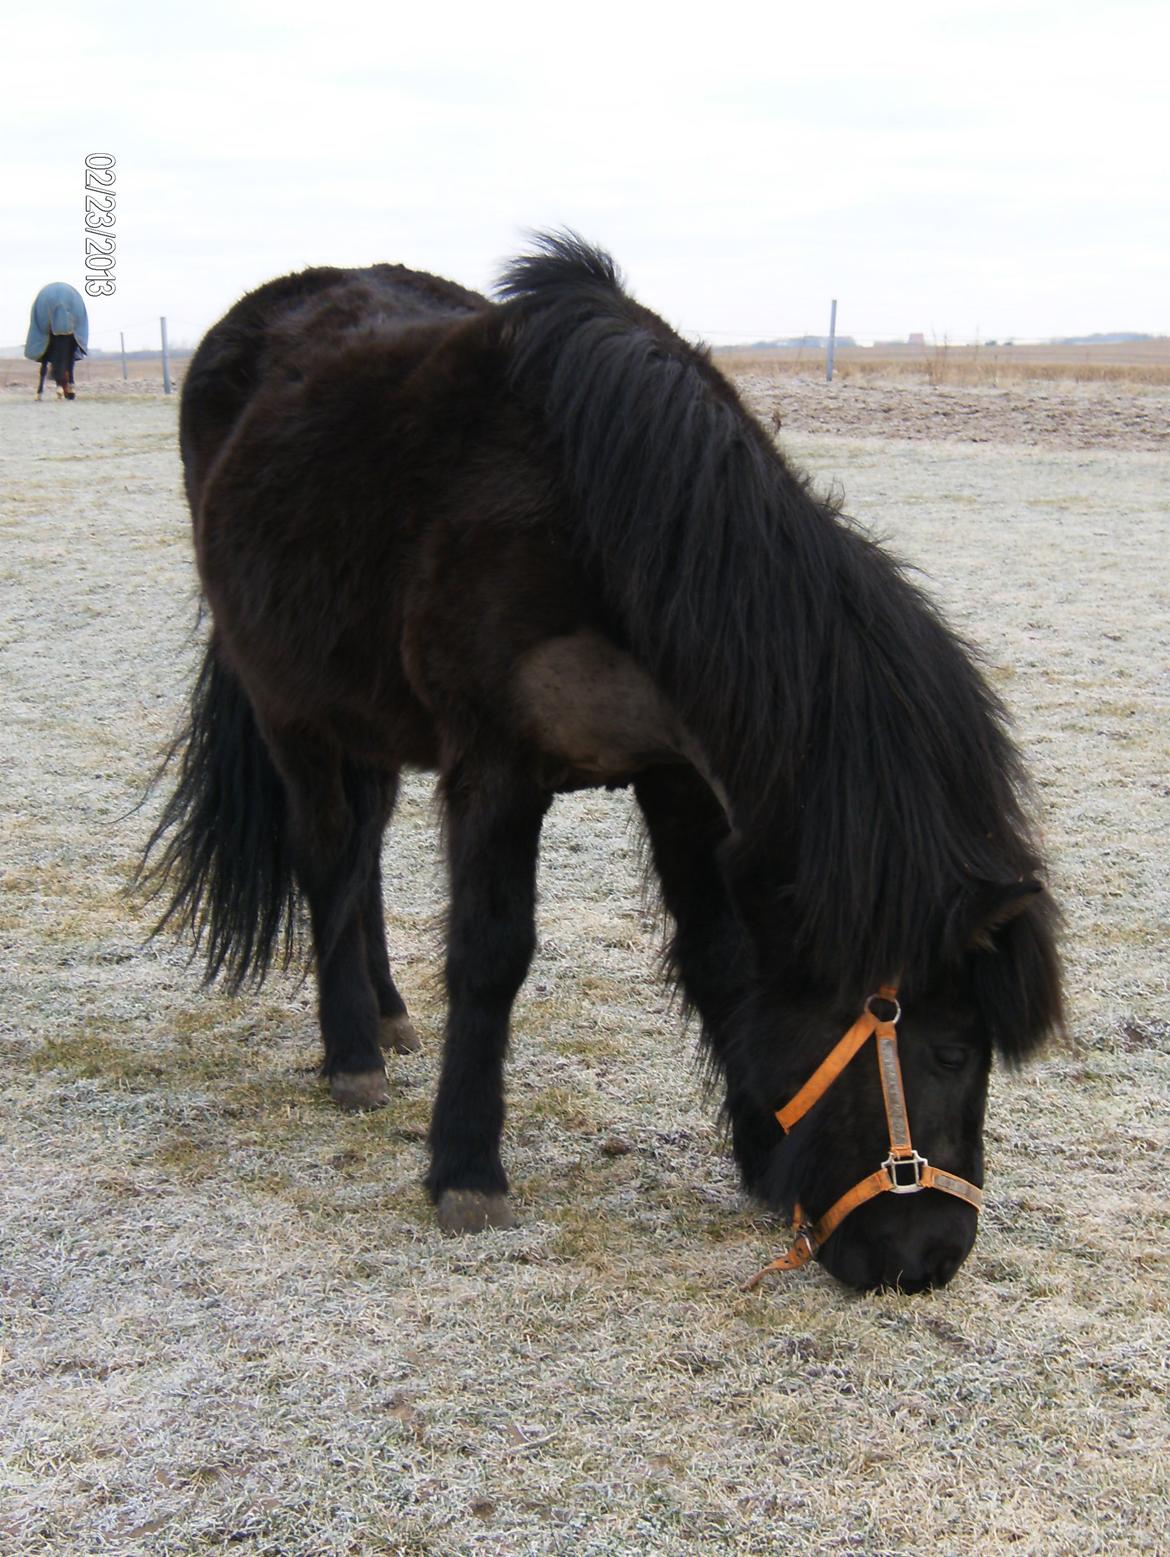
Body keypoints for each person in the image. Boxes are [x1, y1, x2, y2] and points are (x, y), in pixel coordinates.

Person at [26, 282, 89, 400]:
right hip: (70, 328)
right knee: (70, 354)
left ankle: (40, 391)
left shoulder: (45, 298)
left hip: (48, 328)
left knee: (46, 358)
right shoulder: (73, 299)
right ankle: (71, 384)